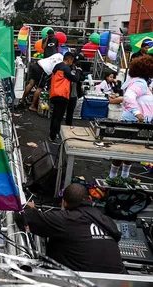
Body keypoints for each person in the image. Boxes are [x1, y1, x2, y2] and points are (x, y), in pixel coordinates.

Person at [22, 183, 126, 273]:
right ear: (90, 199)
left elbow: (24, 216)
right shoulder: (108, 221)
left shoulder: (65, 219)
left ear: (64, 203)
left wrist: (30, 207)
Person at [107, 55, 153, 186]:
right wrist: (138, 113)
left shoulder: (140, 82)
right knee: (124, 150)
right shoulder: (140, 83)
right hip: (134, 122)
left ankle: (123, 176)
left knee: (130, 150)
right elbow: (128, 96)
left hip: (136, 122)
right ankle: (113, 177)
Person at [48, 52, 82, 143]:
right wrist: (78, 70)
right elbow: (76, 78)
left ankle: (52, 134)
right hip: (62, 95)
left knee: (55, 115)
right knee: (58, 117)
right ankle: (53, 136)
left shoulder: (57, 66)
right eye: (72, 61)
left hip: (54, 93)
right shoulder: (66, 69)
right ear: (69, 60)